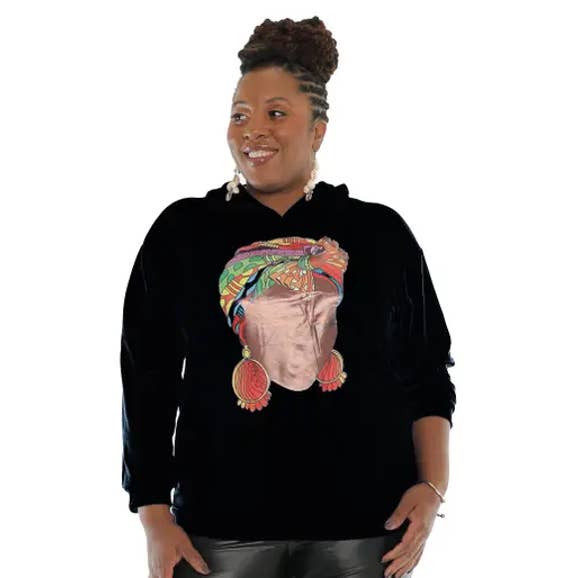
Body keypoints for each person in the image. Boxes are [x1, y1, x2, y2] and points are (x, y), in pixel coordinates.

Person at [120, 15, 457, 578]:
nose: (253, 131)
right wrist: (153, 513)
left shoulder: (379, 233)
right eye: (240, 115)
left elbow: (426, 368)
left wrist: (432, 486)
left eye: (276, 113)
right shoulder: (182, 232)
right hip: (218, 532)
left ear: (317, 130)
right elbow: (146, 377)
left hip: (365, 530)